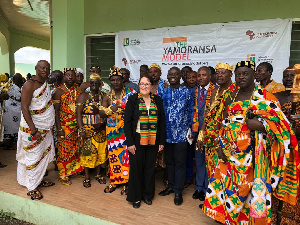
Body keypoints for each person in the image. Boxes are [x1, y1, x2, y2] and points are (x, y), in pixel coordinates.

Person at [202, 61, 299, 224]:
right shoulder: (229, 95)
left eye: (245, 74)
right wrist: (219, 146)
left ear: (254, 76)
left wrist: (260, 125)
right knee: (226, 187)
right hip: (228, 152)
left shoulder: (265, 97)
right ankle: (226, 217)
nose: (241, 77)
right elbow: (222, 121)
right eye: (238, 74)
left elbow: (282, 126)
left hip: (253, 156)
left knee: (247, 191)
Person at [124, 74, 165, 208]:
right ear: (138, 85)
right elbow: (127, 122)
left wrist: (161, 141)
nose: (144, 86)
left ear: (152, 86)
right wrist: (129, 143)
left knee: (149, 168)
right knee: (136, 168)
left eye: (147, 84)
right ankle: (136, 197)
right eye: (142, 83)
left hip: (153, 139)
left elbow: (162, 122)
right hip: (137, 139)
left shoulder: (157, 100)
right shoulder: (133, 99)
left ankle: (147, 195)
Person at [16, 60, 55, 200]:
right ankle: (32, 188)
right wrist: (33, 130)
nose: (45, 70)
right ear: (36, 69)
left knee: (41, 156)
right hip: (33, 130)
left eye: (47, 68)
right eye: (42, 68)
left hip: (45, 129)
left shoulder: (44, 84)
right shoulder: (29, 85)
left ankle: (37, 181)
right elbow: (25, 108)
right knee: (33, 157)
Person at [197, 62, 238, 180]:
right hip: (210, 138)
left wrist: (222, 142)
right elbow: (207, 113)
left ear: (230, 74)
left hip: (224, 139)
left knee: (225, 172)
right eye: (217, 72)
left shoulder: (235, 92)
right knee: (211, 170)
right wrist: (201, 134)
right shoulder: (215, 91)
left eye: (223, 73)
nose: (219, 75)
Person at [158, 67, 193, 206]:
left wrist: (192, 132)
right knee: (170, 162)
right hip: (167, 135)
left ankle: (178, 191)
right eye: (170, 74)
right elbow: (159, 113)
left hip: (181, 135)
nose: (173, 76)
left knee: (180, 163)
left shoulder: (187, 92)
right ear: (168, 76)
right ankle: (171, 186)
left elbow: (191, 112)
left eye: (176, 74)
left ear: (180, 76)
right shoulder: (163, 92)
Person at [99, 66, 135, 194]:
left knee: (126, 157)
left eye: (118, 79)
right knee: (114, 157)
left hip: (127, 130)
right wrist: (112, 109)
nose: (115, 82)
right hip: (113, 133)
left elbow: (137, 109)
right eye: (113, 80)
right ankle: (114, 182)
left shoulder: (131, 92)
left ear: (122, 80)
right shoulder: (107, 96)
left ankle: (126, 183)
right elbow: (101, 113)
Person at [272, 65, 300, 225]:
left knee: (292, 186)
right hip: (277, 149)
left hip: (296, 152)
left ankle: (290, 220)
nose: (289, 79)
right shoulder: (275, 97)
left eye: (293, 76)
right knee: (275, 184)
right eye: (286, 76)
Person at [76, 73, 108, 188]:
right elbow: (78, 113)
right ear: (89, 84)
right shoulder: (83, 96)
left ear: (100, 84)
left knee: (100, 152)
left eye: (97, 83)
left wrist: (103, 124)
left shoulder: (103, 95)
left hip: (100, 130)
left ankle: (98, 175)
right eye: (92, 83)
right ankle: (87, 177)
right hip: (87, 129)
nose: (94, 85)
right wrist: (81, 129)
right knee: (87, 153)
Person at [53, 68, 83, 185]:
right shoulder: (58, 91)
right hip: (64, 126)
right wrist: (59, 128)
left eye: (72, 75)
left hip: (76, 126)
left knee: (76, 149)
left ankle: (74, 170)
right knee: (64, 150)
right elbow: (56, 111)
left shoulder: (78, 90)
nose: (70, 77)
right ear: (64, 77)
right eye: (68, 75)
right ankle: (63, 174)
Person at [191, 67, 215, 202]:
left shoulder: (216, 91)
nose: (200, 78)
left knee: (209, 161)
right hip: (196, 131)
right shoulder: (195, 91)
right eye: (199, 75)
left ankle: (208, 189)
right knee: (199, 160)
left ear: (210, 76)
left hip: (210, 132)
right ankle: (199, 188)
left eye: (204, 75)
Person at [149, 63, 169, 185]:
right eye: (151, 72)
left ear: (160, 73)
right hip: (148, 124)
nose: (153, 74)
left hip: (163, 121)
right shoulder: (146, 86)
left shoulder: (166, 86)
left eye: (155, 71)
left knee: (164, 151)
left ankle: (166, 177)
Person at [3, 73, 23, 149]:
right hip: (10, 110)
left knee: (16, 126)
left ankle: (12, 143)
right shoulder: (10, 87)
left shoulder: (23, 87)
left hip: (17, 110)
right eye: (18, 79)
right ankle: (9, 143)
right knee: (9, 126)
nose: (19, 80)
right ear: (14, 80)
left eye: (20, 79)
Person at [185, 71, 198, 187]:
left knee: (198, 155)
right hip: (187, 128)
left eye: (194, 77)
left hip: (198, 127)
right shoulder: (183, 90)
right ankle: (188, 177)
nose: (191, 79)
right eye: (189, 77)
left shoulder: (200, 91)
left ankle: (199, 181)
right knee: (188, 154)